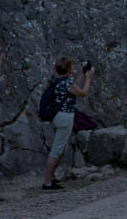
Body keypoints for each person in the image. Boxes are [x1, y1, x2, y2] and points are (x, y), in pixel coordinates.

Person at [42, 57, 94, 190]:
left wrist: (81, 74)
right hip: (65, 117)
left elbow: (73, 86)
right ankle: (47, 182)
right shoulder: (66, 83)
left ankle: (51, 178)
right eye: (72, 65)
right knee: (57, 149)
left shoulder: (59, 81)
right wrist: (88, 78)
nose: (74, 66)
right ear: (68, 68)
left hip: (58, 117)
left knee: (60, 149)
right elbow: (82, 93)